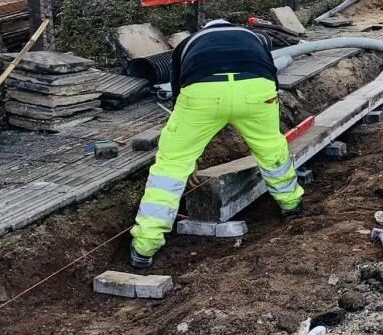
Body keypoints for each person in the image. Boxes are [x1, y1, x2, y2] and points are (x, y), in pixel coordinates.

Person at [129, 20, 304, 268]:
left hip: (202, 94)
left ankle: (145, 246)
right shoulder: (255, 36)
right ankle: (291, 204)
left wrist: (188, 157)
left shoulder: (186, 44)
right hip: (256, 90)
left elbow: (179, 93)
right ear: (230, 26)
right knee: (270, 147)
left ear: (204, 30)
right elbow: (270, 73)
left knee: (171, 166)